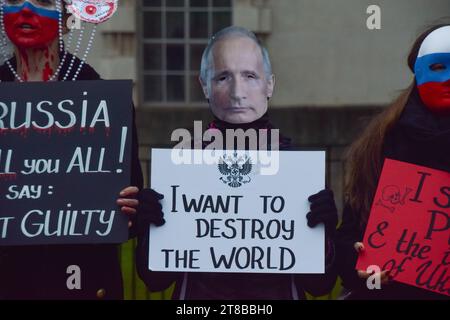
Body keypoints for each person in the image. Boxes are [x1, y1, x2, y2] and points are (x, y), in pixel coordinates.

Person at [135, 26, 338, 300]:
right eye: (223, 77)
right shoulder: (182, 168)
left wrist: (323, 236)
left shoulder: (298, 171)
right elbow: (154, 280)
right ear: (204, 86)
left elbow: (320, 285)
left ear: (270, 85)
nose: (237, 92)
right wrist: (150, 232)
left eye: (250, 76)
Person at [0, 0, 142, 299]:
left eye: (42, 1)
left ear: (66, 18)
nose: (25, 9)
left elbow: (128, 203)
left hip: (82, 279)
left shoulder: (101, 100)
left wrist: (134, 207)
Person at [335, 24, 450, 300]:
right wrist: (357, 263)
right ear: (418, 73)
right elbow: (350, 235)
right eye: (437, 67)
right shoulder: (380, 143)